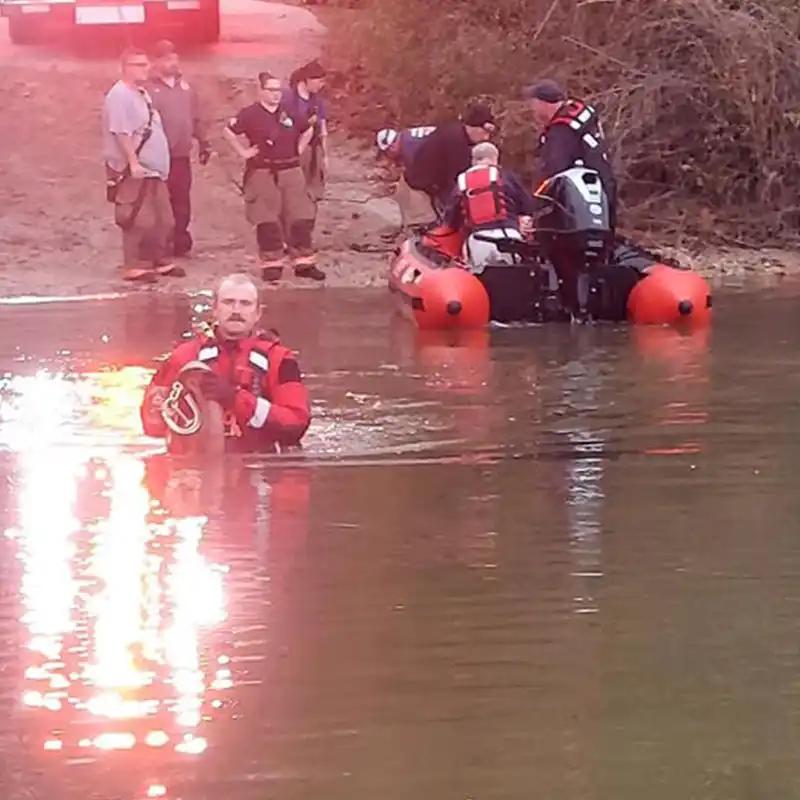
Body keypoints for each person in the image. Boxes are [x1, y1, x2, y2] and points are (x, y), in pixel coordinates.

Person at [140, 272, 311, 452]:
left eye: (245, 303)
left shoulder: (281, 360)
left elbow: (296, 424)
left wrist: (235, 399)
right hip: (197, 460)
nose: (236, 311)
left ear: (258, 313)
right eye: (228, 302)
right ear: (215, 309)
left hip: (260, 461)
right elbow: (151, 425)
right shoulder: (183, 357)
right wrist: (181, 404)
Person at [224, 71, 325, 282]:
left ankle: (304, 262)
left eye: (278, 90)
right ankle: (272, 264)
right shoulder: (249, 114)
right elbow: (229, 131)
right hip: (262, 172)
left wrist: (298, 150)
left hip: (291, 171)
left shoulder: (290, 112)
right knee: (267, 220)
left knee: (300, 217)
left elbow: (308, 129)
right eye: (271, 90)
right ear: (260, 91)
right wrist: (243, 152)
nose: (276, 94)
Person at [103, 47, 177, 283]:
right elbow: (121, 132)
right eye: (139, 65)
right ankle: (136, 265)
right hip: (134, 169)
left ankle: (159, 260)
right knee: (138, 218)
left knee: (163, 218)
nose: (146, 69)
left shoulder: (142, 93)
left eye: (146, 64)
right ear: (125, 67)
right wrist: (133, 163)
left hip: (154, 169)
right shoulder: (119, 95)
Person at [147, 40, 212, 259]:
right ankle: (161, 243)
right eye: (167, 59)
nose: (173, 63)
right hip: (158, 158)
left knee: (182, 200)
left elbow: (196, 117)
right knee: (160, 203)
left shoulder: (186, 88)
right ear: (156, 62)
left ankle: (180, 240)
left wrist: (204, 142)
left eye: (175, 58)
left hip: (181, 156)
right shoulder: (148, 89)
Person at [524, 79, 617, 223]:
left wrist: (536, 208)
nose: (533, 110)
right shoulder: (580, 118)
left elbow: (553, 171)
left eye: (533, 104)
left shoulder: (561, 131)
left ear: (543, 103)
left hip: (580, 205)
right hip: (603, 193)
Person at [443, 142, 536, 271]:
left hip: (479, 239)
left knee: (482, 280)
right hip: (509, 238)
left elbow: (451, 219)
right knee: (514, 278)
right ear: (495, 158)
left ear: (473, 160)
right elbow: (528, 206)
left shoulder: (462, 182)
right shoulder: (506, 176)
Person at [404, 103, 496, 216]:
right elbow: (457, 182)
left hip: (427, 181)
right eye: (484, 132)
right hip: (423, 188)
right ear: (473, 127)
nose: (486, 137)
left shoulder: (456, 132)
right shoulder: (457, 143)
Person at [283, 59, 328, 205]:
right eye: (320, 81)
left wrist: (325, 155)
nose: (322, 85)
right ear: (308, 79)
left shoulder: (318, 102)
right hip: (292, 148)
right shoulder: (287, 99)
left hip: (313, 150)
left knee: (312, 193)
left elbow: (323, 129)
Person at [376, 125, 437, 230]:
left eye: (386, 153)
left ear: (392, 147)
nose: (389, 157)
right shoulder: (406, 134)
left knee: (413, 181)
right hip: (454, 140)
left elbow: (422, 175)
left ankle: (427, 220)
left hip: (453, 151)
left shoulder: (409, 150)